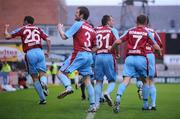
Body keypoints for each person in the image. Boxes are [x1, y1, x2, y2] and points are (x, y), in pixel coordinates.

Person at [109, 14, 162, 113]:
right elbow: (157, 47)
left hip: (129, 58)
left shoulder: (130, 31)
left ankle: (118, 97)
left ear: (136, 22)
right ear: (146, 22)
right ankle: (146, 105)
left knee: (125, 80)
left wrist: (112, 49)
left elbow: (117, 42)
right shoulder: (148, 32)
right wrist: (159, 52)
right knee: (146, 81)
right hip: (142, 58)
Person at [57, 6, 97, 112]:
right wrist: (89, 50)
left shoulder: (78, 24)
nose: (75, 14)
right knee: (87, 80)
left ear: (82, 15)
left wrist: (60, 29)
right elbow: (96, 47)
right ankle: (93, 105)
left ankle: (68, 87)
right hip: (89, 56)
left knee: (60, 73)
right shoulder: (92, 29)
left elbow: (64, 37)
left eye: (77, 13)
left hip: (79, 54)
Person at [5, 16, 51, 104]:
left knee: (34, 77)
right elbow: (48, 40)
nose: (23, 23)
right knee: (42, 73)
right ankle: (44, 82)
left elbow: (7, 36)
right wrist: (48, 52)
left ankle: (42, 99)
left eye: (23, 21)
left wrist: (6, 29)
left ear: (26, 21)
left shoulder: (22, 29)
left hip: (30, 53)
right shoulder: (38, 29)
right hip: (40, 52)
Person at [94, 15, 119, 109]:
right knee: (112, 80)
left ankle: (96, 104)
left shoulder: (96, 29)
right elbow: (117, 42)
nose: (113, 22)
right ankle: (107, 92)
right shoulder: (113, 30)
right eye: (112, 20)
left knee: (98, 81)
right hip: (109, 56)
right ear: (108, 22)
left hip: (98, 56)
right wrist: (117, 53)